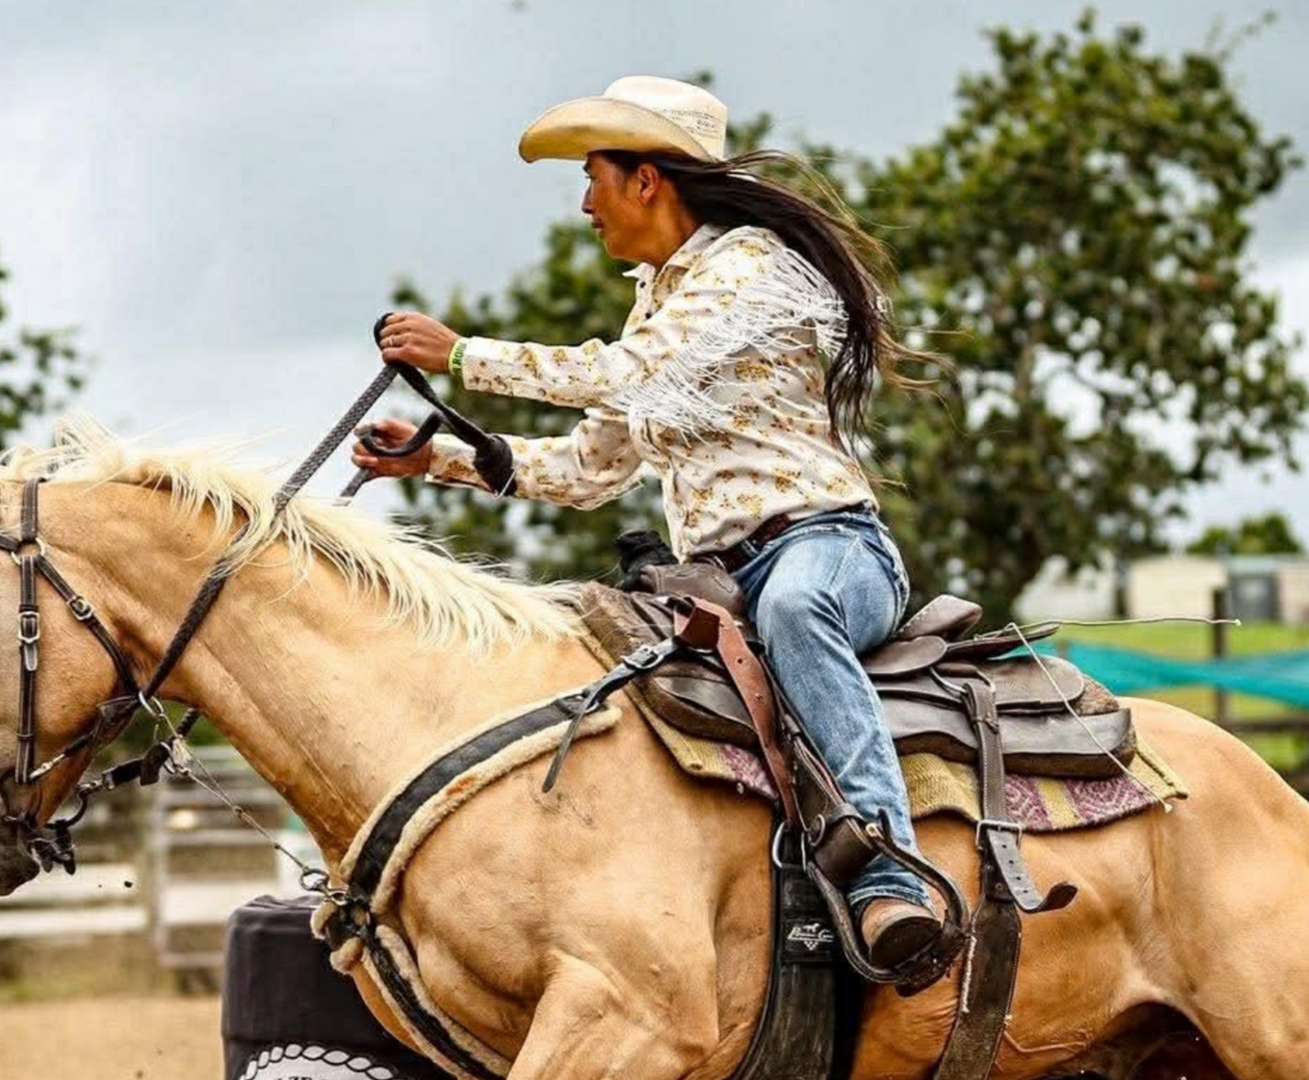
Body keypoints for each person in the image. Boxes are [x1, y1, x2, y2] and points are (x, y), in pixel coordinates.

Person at [350, 76, 943, 971]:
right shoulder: (656, 299)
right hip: (716, 577)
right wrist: (436, 457)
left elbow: (628, 374)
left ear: (646, 181)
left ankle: (892, 878)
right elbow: (591, 469)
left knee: (794, 614)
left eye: (592, 177)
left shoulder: (746, 269)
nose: (584, 203)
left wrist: (465, 356)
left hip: (827, 547)